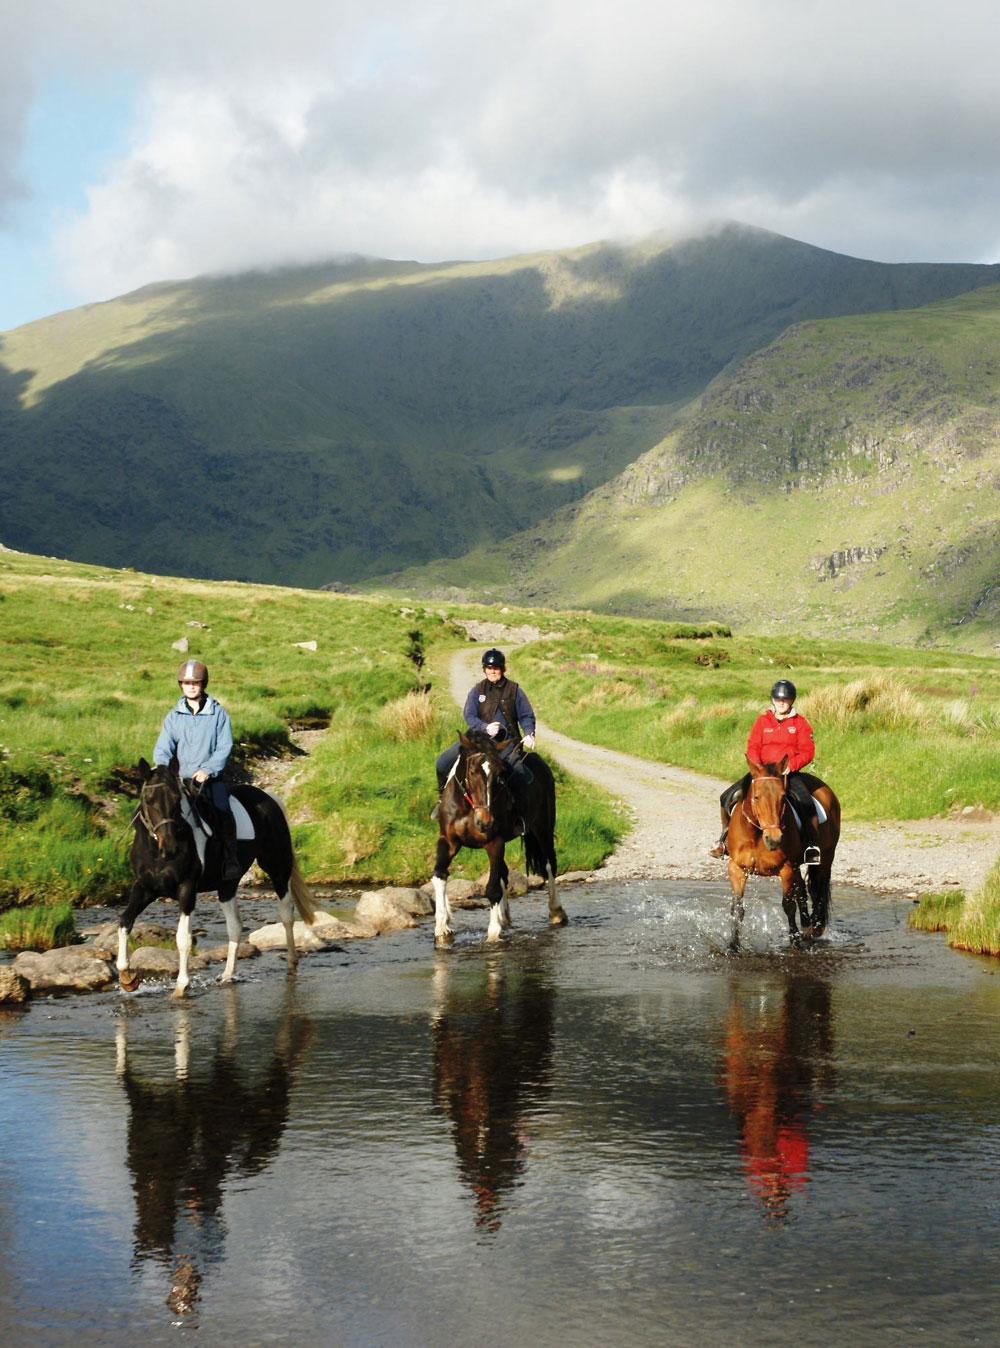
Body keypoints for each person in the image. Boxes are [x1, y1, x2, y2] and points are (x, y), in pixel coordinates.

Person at [709, 678, 820, 863]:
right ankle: (723, 841)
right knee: (726, 797)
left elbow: (808, 750)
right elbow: (753, 746)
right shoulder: (762, 721)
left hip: (786, 774)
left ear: (791, 701)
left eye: (785, 700)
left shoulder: (800, 723)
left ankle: (810, 846)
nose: (781, 703)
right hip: (761, 774)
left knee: (806, 802)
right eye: (778, 700)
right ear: (773, 700)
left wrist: (791, 765)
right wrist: (757, 767)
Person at [153, 658, 241, 881]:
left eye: (196, 683)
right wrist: (163, 768)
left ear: (203, 684)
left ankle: (230, 859)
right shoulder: (173, 716)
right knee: (156, 808)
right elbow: (164, 747)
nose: (191, 686)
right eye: (186, 682)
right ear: (180, 685)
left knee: (223, 810)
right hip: (180, 779)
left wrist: (208, 769)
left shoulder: (218, 714)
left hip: (209, 779)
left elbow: (224, 746)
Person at [433, 648, 537, 820]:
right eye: (489, 668)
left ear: (502, 669)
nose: (492, 671)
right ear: (484, 669)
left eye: (496, 668)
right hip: (476, 739)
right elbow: (469, 715)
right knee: (442, 762)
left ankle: (519, 817)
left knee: (519, 776)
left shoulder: (515, 690)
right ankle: (441, 801)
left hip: (505, 743)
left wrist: (528, 733)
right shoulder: (477, 690)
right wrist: (484, 727)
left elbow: (526, 715)